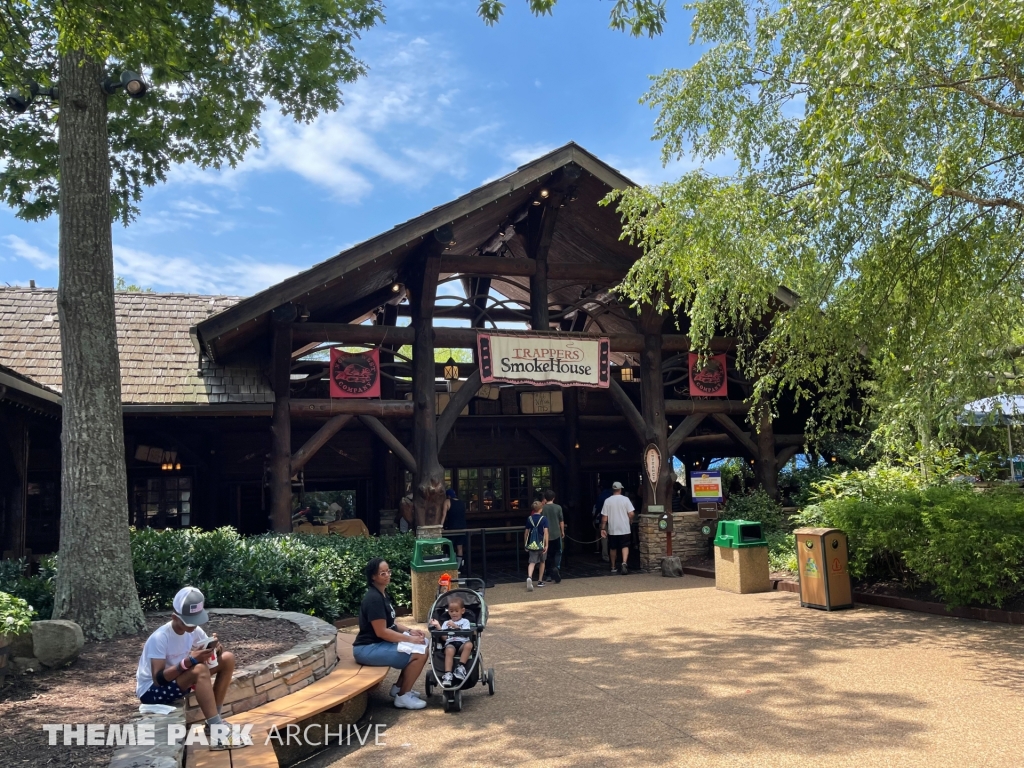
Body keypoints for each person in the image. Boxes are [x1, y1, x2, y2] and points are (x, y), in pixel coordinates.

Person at [135, 587, 247, 750]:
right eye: (189, 622)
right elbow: (158, 680)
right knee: (199, 669)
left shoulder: (194, 630)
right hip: (152, 692)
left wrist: (215, 649)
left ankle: (214, 721)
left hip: (179, 681)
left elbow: (207, 652)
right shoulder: (160, 638)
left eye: (197, 620)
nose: (194, 626)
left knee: (228, 658)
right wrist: (189, 661)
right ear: (175, 617)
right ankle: (218, 732)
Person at [352, 558, 430, 710]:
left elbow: (391, 624)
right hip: (368, 648)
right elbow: (382, 632)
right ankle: (403, 696)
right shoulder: (374, 599)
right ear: (373, 577)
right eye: (382, 573)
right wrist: (410, 639)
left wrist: (410, 631)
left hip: (377, 644)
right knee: (420, 653)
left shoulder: (382, 594)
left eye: (388, 571)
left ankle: (398, 689)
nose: (387, 575)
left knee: (423, 643)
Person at [428, 594, 473, 687]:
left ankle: (460, 667)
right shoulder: (446, 623)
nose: (454, 613)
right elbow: (445, 638)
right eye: (451, 611)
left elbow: (466, 633)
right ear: (448, 612)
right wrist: (438, 627)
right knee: (449, 650)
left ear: (462, 611)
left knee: (469, 645)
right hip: (451, 643)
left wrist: (456, 627)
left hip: (462, 643)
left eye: (456, 611)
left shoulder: (465, 622)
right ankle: (448, 674)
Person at [600, 482, 635, 574]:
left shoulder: (607, 501)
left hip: (613, 529)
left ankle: (613, 566)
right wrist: (630, 520)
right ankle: (624, 562)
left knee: (613, 548)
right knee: (625, 545)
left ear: (613, 490)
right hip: (625, 528)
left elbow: (604, 517)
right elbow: (631, 513)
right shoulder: (626, 499)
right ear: (620, 489)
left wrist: (603, 528)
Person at [523, 500, 549, 591]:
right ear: (541, 509)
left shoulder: (529, 518)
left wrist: (525, 544)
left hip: (532, 544)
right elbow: (546, 532)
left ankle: (529, 577)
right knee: (542, 562)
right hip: (541, 543)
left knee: (532, 562)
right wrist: (546, 545)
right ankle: (540, 580)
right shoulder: (544, 519)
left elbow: (526, 532)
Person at [540, 489, 564, 583]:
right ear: (554, 498)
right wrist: (562, 531)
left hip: (545, 535)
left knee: (547, 554)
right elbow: (561, 520)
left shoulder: (543, 508)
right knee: (558, 552)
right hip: (556, 533)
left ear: (545, 498)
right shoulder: (558, 507)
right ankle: (556, 567)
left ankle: (548, 573)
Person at [442, 488, 467, 568]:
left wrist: (440, 526)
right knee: (460, 547)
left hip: (452, 527)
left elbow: (444, 515)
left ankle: (451, 565)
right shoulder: (462, 503)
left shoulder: (447, 501)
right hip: (462, 527)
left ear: (448, 495)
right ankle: (458, 566)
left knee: (450, 546)